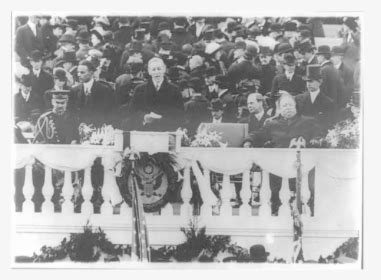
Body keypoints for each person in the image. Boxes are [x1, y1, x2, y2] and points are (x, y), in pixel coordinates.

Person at [245, 93, 322, 215]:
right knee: (275, 192)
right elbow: (258, 134)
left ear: (296, 107)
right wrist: (249, 141)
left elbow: (318, 135)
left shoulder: (308, 122)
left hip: (301, 166)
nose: (288, 108)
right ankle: (275, 210)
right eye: (285, 105)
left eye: (291, 105)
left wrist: (313, 141)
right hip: (278, 166)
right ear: (279, 109)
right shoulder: (272, 124)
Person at [129, 57, 184, 131]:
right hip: (145, 131)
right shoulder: (139, 89)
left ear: (164, 69)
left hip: (166, 131)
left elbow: (180, 113)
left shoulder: (175, 90)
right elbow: (132, 111)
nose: (156, 72)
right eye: (153, 69)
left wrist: (163, 118)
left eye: (159, 69)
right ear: (149, 71)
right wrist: (144, 117)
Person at [71, 60, 116, 126]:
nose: (78, 75)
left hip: (99, 130)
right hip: (79, 130)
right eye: (78, 72)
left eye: (82, 72)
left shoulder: (105, 90)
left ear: (91, 73)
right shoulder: (74, 91)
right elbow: (70, 113)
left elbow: (111, 112)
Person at [295, 65, 336, 131]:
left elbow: (329, 124)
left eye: (311, 81)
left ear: (320, 81)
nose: (308, 84)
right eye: (307, 81)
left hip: (319, 136)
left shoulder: (328, 102)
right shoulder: (298, 99)